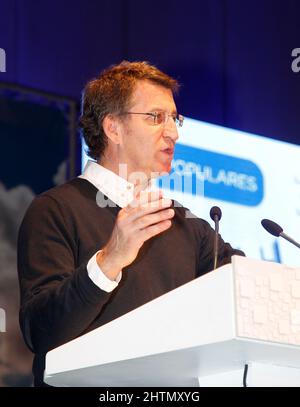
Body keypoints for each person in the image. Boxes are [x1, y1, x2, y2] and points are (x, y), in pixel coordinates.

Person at [17, 61, 244, 386]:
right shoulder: (55, 210)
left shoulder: (187, 225)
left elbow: (242, 282)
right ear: (113, 128)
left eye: (175, 118)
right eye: (156, 117)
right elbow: (41, 332)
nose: (173, 132)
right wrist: (109, 261)